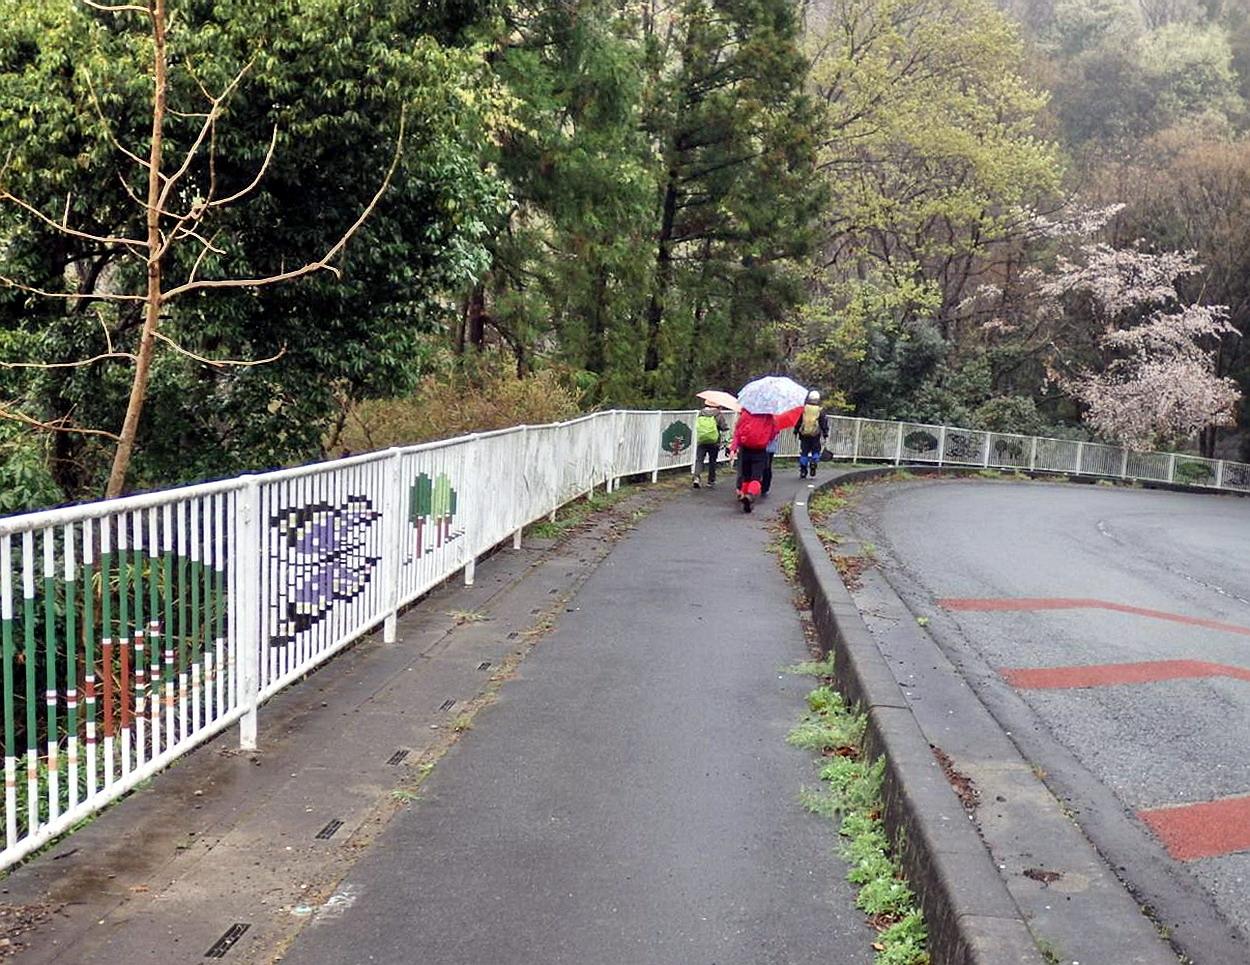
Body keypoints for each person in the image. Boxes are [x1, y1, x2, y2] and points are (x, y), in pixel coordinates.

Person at [730, 409, 778, 513]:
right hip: (760, 450)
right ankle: (750, 495)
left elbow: (737, 432)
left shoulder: (745, 414)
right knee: (756, 477)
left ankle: (744, 495)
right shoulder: (769, 416)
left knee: (746, 477)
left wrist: (733, 448)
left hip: (745, 450)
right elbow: (773, 433)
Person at [692, 404, 729, 489]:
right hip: (714, 441)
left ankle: (696, 477)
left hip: (702, 440)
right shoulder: (718, 414)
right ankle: (711, 480)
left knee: (699, 460)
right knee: (712, 461)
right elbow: (724, 427)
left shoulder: (701, 412)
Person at [795, 389, 829, 479]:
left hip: (804, 434)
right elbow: (823, 423)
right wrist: (825, 433)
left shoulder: (804, 409)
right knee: (816, 450)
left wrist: (796, 430)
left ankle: (803, 470)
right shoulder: (820, 410)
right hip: (815, 435)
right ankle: (813, 463)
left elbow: (799, 421)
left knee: (804, 452)